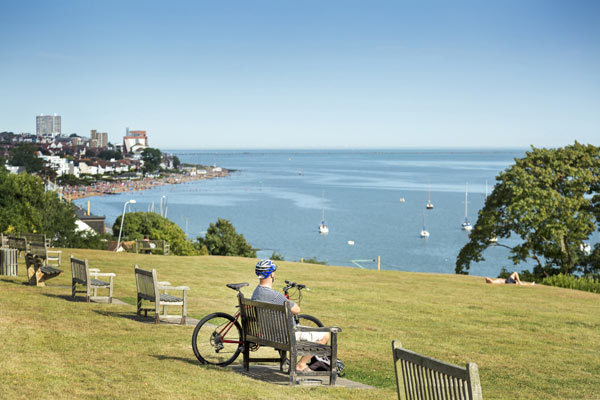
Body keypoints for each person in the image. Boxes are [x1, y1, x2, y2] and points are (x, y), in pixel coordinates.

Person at [251, 259, 329, 373]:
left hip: (267, 334)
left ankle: (305, 363)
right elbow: (296, 309)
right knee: (325, 335)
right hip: (285, 336)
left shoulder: (256, 293)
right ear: (271, 274)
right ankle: (300, 365)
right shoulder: (275, 296)